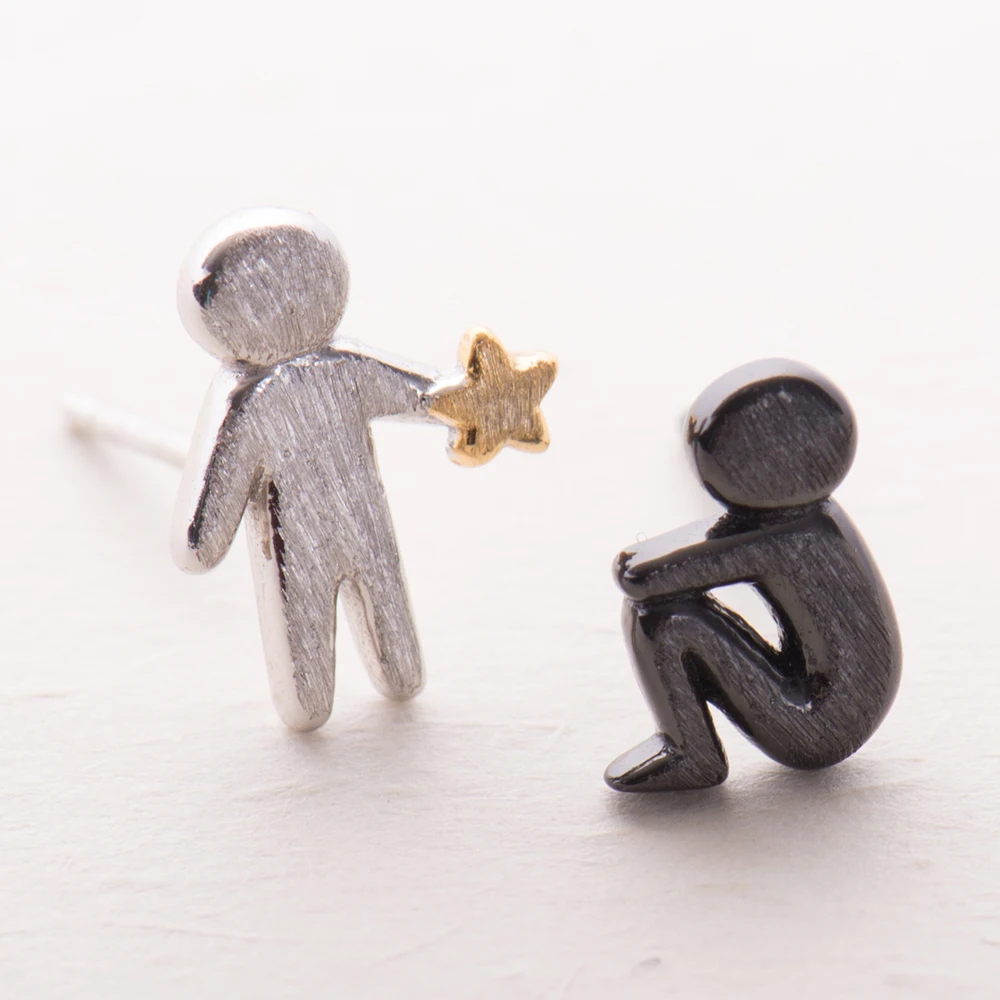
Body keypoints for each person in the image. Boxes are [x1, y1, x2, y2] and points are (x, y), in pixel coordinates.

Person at [172, 209, 453, 732]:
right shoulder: (253, 399)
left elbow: (424, 395)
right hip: (308, 538)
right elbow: (204, 526)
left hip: (359, 524)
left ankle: (380, 677)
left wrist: (472, 401)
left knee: (377, 606)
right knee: (312, 619)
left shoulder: (324, 375)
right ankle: (327, 695)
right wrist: (202, 538)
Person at [606, 359, 902, 792]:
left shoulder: (790, 538)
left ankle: (691, 750)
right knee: (656, 610)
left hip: (821, 722)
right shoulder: (814, 522)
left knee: (661, 620)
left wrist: (632, 562)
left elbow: (641, 579)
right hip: (839, 705)